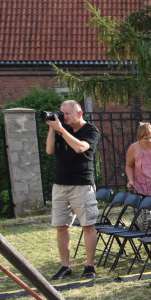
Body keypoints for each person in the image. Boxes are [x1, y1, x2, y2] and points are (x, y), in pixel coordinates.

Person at [45, 100, 101, 280]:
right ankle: (65, 266)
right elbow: (49, 150)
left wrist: (61, 129)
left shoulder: (91, 131)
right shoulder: (62, 129)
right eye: (61, 113)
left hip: (82, 184)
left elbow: (79, 148)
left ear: (79, 113)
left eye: (67, 113)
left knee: (88, 225)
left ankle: (89, 266)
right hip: (60, 185)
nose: (63, 116)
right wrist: (52, 128)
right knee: (61, 226)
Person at [125, 122, 151, 217]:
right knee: (146, 217)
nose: (150, 140)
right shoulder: (133, 148)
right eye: (146, 138)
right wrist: (130, 180)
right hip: (141, 187)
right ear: (140, 138)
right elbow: (129, 165)